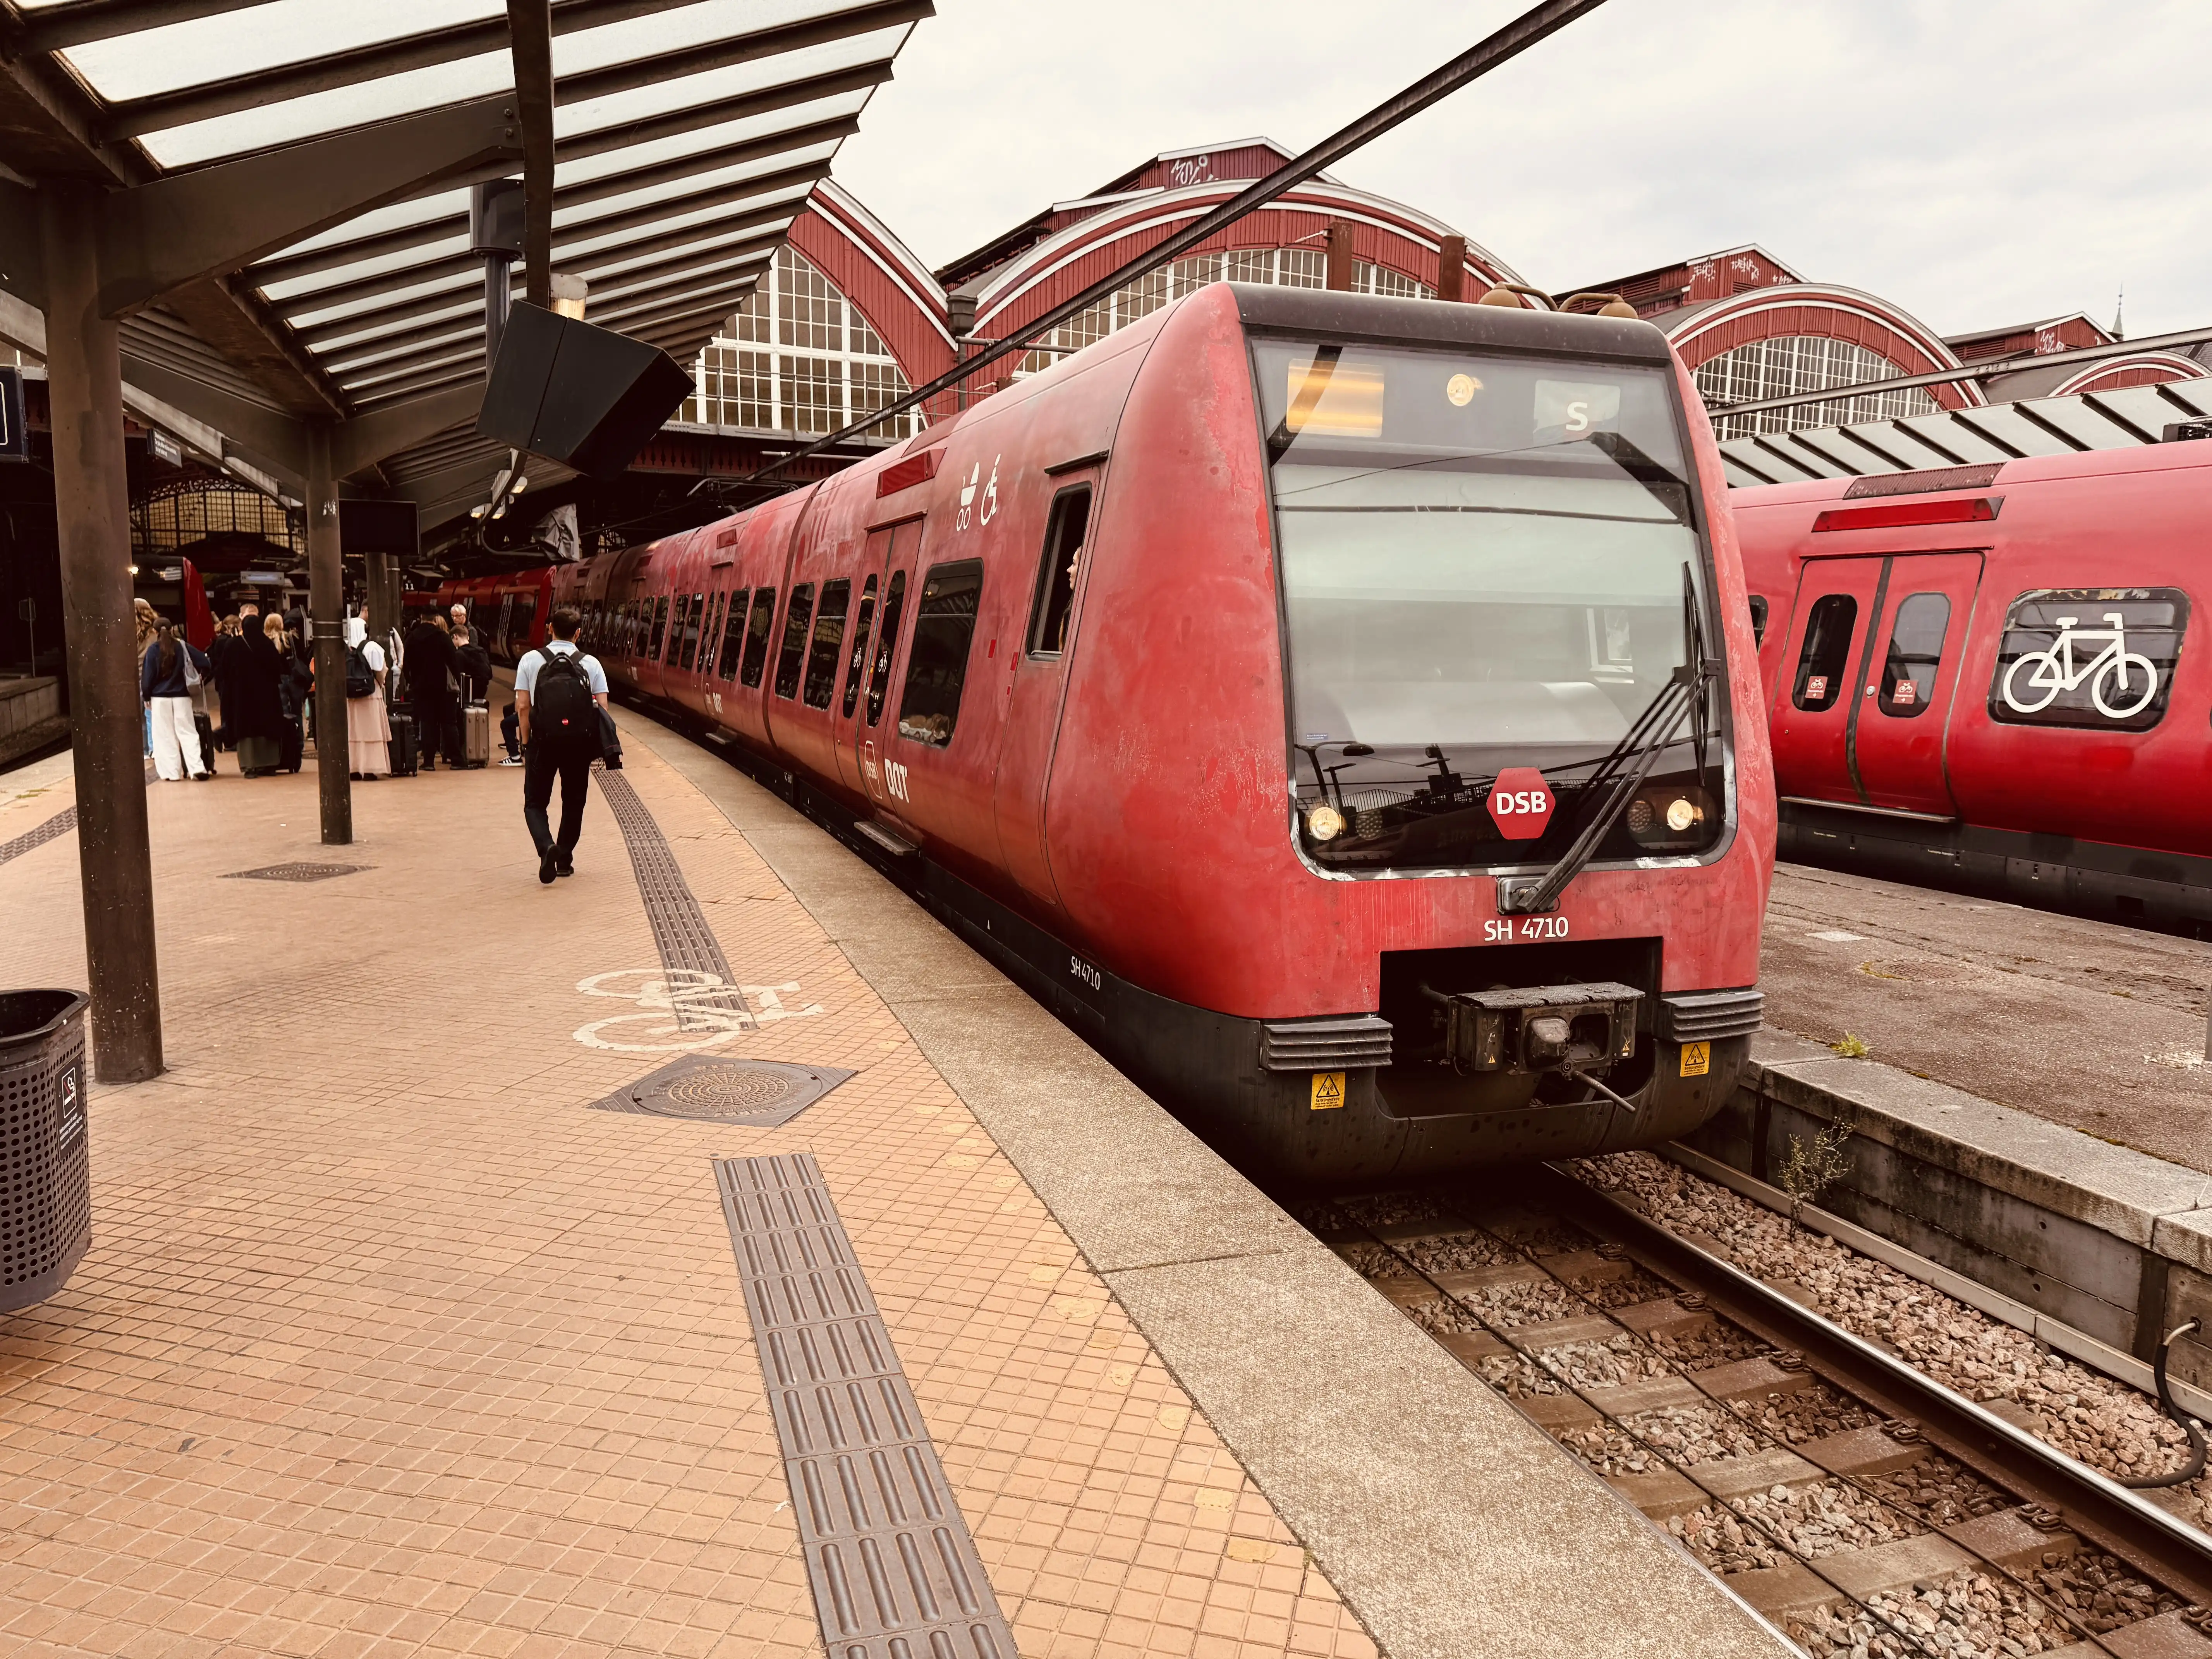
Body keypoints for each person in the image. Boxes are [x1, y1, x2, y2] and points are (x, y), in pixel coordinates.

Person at [514, 605, 608, 884]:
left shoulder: (531, 660)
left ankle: (546, 848)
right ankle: (565, 858)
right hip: (578, 745)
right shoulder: (591, 664)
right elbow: (602, 708)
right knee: (574, 801)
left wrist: (526, 742)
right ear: (579, 633)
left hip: (542, 742)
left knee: (535, 802)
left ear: (550, 629)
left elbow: (522, 705)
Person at [140, 622, 212, 782]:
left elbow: (147, 678)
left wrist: (146, 696)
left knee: (165, 736)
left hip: (159, 699)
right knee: (188, 733)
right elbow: (205, 663)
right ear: (173, 629)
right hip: (182, 697)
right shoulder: (183, 647)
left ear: (155, 631)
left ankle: (171, 774)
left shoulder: (153, 650)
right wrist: (202, 677)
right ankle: (197, 768)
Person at [228, 603, 291, 776]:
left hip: (244, 696)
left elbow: (226, 671)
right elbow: (278, 668)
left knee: (248, 731)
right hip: (267, 696)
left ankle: (250, 766)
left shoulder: (235, 645)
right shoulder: (267, 645)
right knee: (268, 728)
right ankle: (269, 764)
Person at [402, 611, 460, 771]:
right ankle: (456, 760)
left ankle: (428, 762)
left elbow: (406, 665)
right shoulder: (443, 637)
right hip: (443, 687)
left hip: (421, 688)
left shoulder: (413, 638)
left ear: (422, 618)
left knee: (427, 723)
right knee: (449, 723)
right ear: (435, 619)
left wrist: (412, 683)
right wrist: (458, 681)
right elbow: (453, 662)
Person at [343, 616, 392, 780]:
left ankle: (353, 768)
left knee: (353, 732)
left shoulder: (342, 648)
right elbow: (381, 670)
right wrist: (381, 682)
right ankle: (371, 769)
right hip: (371, 695)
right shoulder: (372, 647)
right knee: (371, 732)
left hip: (350, 696)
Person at [134, 598, 159, 757]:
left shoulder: (130, 632)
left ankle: (144, 749)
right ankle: (154, 748)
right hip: (153, 677)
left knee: (140, 717)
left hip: (135, 678)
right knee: (152, 715)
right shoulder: (156, 631)